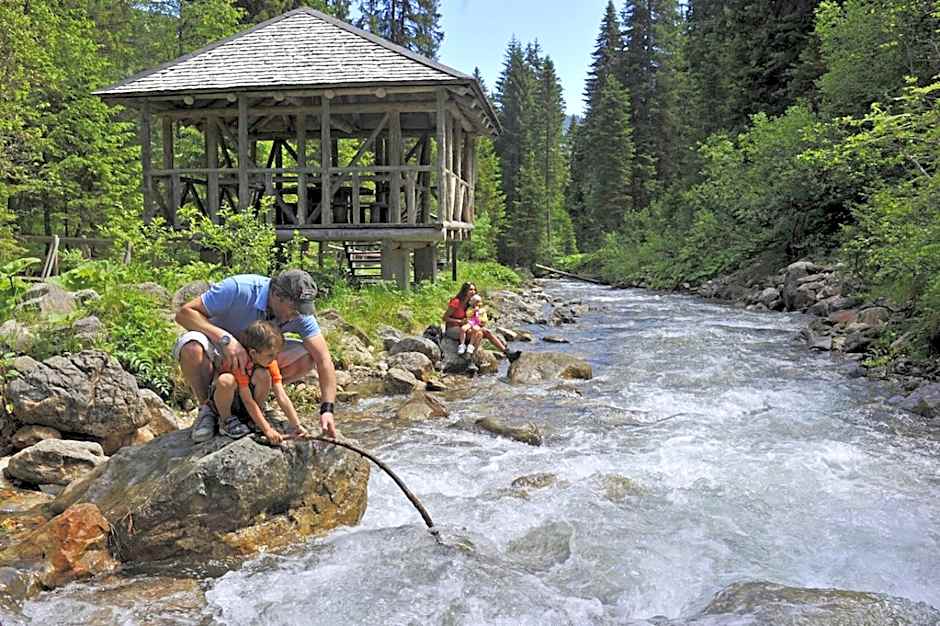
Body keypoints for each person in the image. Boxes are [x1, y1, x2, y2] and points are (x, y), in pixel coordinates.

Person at [175, 269, 338, 443]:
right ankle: (208, 409)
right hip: (219, 351)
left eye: (302, 309)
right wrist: (225, 339)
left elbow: (323, 359)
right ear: (276, 294)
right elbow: (184, 314)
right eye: (294, 308)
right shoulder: (238, 289)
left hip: (258, 359)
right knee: (191, 347)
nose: (297, 314)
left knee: (308, 357)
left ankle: (254, 403)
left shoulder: (299, 313)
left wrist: (327, 409)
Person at [210, 320, 306, 445]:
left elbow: (281, 395)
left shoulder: (270, 363)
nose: (274, 359)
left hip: (246, 402)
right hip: (229, 400)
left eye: (276, 354)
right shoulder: (239, 363)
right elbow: (248, 401)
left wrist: (297, 425)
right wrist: (267, 430)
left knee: (263, 375)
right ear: (253, 353)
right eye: (270, 355)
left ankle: (255, 417)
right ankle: (226, 420)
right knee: (226, 381)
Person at [442, 282, 521, 361]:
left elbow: (474, 318)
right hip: (453, 329)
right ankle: (469, 360)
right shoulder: (456, 302)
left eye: (474, 290)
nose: (473, 292)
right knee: (479, 333)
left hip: (465, 327)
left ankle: (507, 353)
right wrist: (460, 321)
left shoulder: (471, 303)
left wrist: (480, 320)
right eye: (470, 290)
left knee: (485, 332)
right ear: (464, 291)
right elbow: (445, 318)